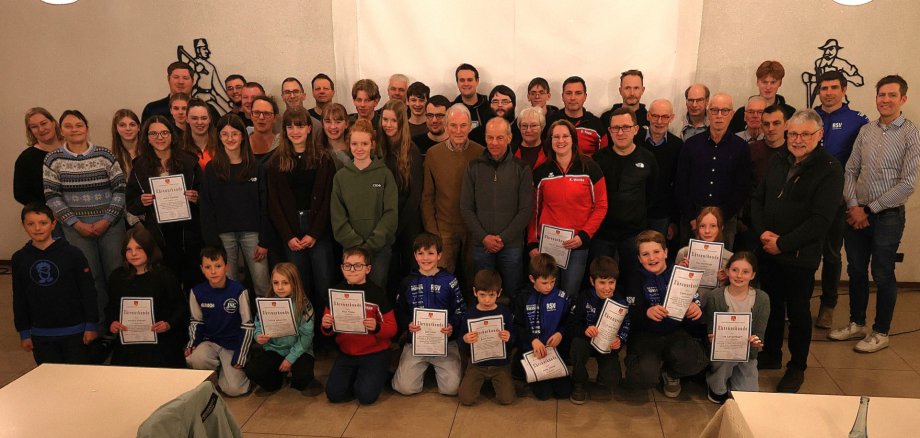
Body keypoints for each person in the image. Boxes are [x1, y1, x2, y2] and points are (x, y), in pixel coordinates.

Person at [752, 109, 843, 393]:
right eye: (793, 133)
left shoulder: (830, 169)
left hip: (799, 256)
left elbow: (820, 220)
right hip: (769, 249)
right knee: (773, 306)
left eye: (805, 134)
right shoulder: (779, 160)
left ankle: (797, 367)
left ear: (819, 135)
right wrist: (762, 233)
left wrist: (783, 243)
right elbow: (758, 199)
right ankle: (771, 355)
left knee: (799, 313)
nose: (798, 139)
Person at [829, 75, 920, 353]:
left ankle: (881, 331)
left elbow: (908, 183)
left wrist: (869, 209)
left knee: (882, 273)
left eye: (892, 95)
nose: (885, 100)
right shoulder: (866, 131)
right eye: (881, 94)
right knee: (856, 270)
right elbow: (850, 170)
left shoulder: (911, 133)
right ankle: (857, 323)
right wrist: (855, 205)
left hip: (887, 216)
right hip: (857, 212)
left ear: (903, 99)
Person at [43, 109, 126, 321]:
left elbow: (120, 188)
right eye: (68, 126)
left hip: (111, 227)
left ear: (87, 127)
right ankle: (99, 324)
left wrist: (107, 219)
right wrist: (76, 223)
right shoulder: (53, 160)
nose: (74, 130)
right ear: (61, 130)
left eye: (79, 125)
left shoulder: (105, 155)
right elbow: (52, 196)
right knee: (90, 277)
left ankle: (122, 325)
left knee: (116, 275)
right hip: (77, 230)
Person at [813, 70, 869, 329]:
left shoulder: (857, 121)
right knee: (805, 252)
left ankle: (828, 305)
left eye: (834, 87)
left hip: (837, 198)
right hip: (807, 198)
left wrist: (853, 200)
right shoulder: (810, 116)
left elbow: (861, 164)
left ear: (844, 90)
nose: (828, 92)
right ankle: (800, 302)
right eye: (824, 88)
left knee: (832, 255)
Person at [267, 106, 337, 313]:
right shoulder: (275, 162)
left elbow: (327, 200)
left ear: (309, 129)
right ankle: (304, 335)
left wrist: (314, 233)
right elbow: (274, 203)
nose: (295, 131)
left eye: (299, 126)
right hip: (290, 229)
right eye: (290, 126)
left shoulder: (324, 159)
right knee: (298, 285)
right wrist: (288, 235)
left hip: (318, 228)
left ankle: (325, 335)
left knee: (324, 282)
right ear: (284, 130)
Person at [622, 230, 707, 397]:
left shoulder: (681, 274)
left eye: (656, 252)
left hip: (675, 332)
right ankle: (649, 365)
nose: (652, 258)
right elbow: (631, 315)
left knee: (697, 361)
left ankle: (671, 374)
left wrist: (695, 310)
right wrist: (646, 312)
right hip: (646, 334)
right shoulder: (633, 278)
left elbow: (693, 318)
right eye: (645, 254)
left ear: (666, 252)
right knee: (642, 375)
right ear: (639, 258)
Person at [528, 119, 608, 296]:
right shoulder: (541, 172)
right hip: (548, 245)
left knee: (570, 293)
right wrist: (532, 242)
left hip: (577, 244)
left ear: (573, 139)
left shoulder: (590, 168)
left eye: (565, 136)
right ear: (550, 140)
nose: (561, 141)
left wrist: (584, 236)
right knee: (548, 292)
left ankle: (567, 324)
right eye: (556, 137)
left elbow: (601, 205)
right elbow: (533, 210)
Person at [12, 202, 98, 365]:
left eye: (43, 223)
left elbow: (88, 291)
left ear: (53, 223)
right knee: (49, 379)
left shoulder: (73, 254)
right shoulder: (19, 258)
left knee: (77, 377)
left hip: (75, 331)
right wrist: (24, 332)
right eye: (31, 224)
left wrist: (91, 324)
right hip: (40, 334)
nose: (37, 228)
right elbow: (19, 297)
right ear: (24, 226)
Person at [125, 115, 204, 290]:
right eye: (153, 134)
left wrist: (196, 197)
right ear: (146, 138)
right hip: (159, 234)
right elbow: (131, 202)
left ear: (172, 135)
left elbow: (206, 195)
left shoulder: (189, 161)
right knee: (167, 281)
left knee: (193, 279)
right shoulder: (140, 166)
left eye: (164, 133)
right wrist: (141, 201)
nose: (159, 138)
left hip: (188, 231)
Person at [460, 117, 534, 299]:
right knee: (483, 293)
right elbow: (466, 207)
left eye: (500, 138)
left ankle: (512, 327)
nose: (494, 143)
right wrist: (484, 237)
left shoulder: (522, 168)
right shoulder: (473, 167)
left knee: (513, 292)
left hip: (512, 246)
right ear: (485, 138)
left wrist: (503, 238)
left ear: (509, 138)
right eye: (490, 137)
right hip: (481, 244)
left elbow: (526, 210)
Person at [199, 114, 271, 298]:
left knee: (262, 284)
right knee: (228, 286)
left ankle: (265, 324)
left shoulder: (256, 167)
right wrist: (213, 243)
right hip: (223, 236)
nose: (230, 139)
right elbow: (206, 207)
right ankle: (235, 325)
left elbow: (265, 205)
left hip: (253, 234)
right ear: (219, 137)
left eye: (234, 134)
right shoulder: (211, 169)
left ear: (242, 136)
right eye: (225, 134)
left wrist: (264, 240)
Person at [392, 233, 467, 396]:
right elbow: (399, 311)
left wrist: (452, 325)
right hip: (416, 343)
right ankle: (411, 365)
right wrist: (408, 324)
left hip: (445, 343)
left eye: (431, 253)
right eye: (421, 253)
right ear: (415, 255)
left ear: (439, 255)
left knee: (452, 389)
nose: (425, 258)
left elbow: (461, 310)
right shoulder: (407, 281)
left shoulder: (450, 280)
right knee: (405, 388)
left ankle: (445, 367)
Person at [321, 247, 397, 405]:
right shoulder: (336, 292)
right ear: (342, 268)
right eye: (347, 265)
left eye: (358, 266)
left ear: (367, 269)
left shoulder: (377, 293)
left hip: (375, 353)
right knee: (334, 395)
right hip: (347, 353)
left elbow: (392, 328)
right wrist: (326, 325)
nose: (352, 270)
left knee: (366, 397)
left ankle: (379, 373)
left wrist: (376, 327)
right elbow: (327, 330)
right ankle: (358, 377)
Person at [677, 92, 751, 250]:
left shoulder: (741, 147)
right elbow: (681, 183)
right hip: (693, 216)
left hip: (725, 219)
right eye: (714, 110)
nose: (719, 115)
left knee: (722, 268)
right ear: (708, 113)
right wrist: (692, 217)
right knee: (688, 264)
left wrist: (721, 219)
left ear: (731, 114)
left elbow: (742, 188)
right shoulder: (691, 145)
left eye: (724, 111)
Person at [105, 227, 187, 368]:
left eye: (139, 248)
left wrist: (168, 324)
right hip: (128, 345)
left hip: (161, 343)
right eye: (128, 249)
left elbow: (181, 306)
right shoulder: (117, 277)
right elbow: (111, 307)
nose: (134, 254)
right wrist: (112, 323)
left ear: (149, 249)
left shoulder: (165, 275)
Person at [591, 107, 658, 279]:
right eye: (615, 128)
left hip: (634, 234)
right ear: (610, 131)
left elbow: (652, 194)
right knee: (603, 280)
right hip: (603, 233)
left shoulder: (648, 158)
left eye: (626, 127)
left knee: (633, 280)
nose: (620, 132)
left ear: (636, 129)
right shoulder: (597, 159)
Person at [330, 119, 398, 289]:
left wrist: (370, 245)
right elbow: (337, 216)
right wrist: (355, 245)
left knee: (376, 292)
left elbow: (390, 213)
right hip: (350, 251)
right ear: (349, 145)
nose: (359, 148)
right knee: (353, 295)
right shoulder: (341, 177)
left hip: (379, 249)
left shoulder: (384, 175)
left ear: (372, 145)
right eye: (354, 143)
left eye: (364, 143)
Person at [422, 104, 485, 277]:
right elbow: (427, 196)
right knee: (442, 279)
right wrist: (433, 232)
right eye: (453, 125)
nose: (458, 130)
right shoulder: (433, 154)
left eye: (463, 125)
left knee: (474, 279)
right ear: (446, 126)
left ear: (470, 126)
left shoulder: (480, 153)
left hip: (473, 229)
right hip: (444, 231)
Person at [185, 246, 255, 397]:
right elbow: (196, 322)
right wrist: (192, 343)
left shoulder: (238, 290)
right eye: (208, 267)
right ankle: (216, 372)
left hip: (233, 344)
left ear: (226, 267)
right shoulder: (197, 292)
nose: (213, 271)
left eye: (218, 266)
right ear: (202, 269)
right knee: (194, 358)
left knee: (235, 390)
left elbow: (248, 325)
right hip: (210, 342)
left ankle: (228, 369)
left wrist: (241, 355)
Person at [703, 251, 769, 404]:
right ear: (727, 271)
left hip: (747, 352)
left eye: (745, 272)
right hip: (723, 353)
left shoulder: (762, 299)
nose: (739, 275)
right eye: (734, 270)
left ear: (753, 275)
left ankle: (736, 378)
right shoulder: (716, 296)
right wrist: (712, 337)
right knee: (720, 385)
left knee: (748, 396)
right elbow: (710, 329)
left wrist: (756, 342)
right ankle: (716, 384)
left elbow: (760, 333)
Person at [568, 256, 631, 405]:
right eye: (602, 282)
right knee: (577, 346)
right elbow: (571, 325)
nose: (607, 287)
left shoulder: (621, 302)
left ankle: (602, 381)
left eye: (611, 282)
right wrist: (585, 329)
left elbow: (627, 325)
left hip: (607, 345)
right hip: (586, 341)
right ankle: (579, 382)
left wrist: (620, 340)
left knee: (612, 381)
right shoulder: (584, 298)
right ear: (592, 281)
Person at [245, 263, 316, 392]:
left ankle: (293, 374)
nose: (280, 287)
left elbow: (307, 337)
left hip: (300, 351)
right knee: (252, 370)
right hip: (275, 349)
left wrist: (290, 359)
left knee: (303, 379)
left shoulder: (304, 305)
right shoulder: (267, 302)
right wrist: (259, 336)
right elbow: (258, 324)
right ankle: (278, 380)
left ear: (294, 283)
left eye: (285, 283)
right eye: (276, 283)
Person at [377, 100, 424, 292]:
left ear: (401, 123)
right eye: (385, 119)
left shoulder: (411, 149)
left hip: (407, 221)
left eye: (392, 120)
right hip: (383, 220)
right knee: (389, 274)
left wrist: (397, 225)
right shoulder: (377, 147)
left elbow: (415, 194)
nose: (388, 124)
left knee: (411, 272)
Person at [514, 253, 573, 400]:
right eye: (544, 283)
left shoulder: (561, 297)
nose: (549, 287)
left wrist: (560, 333)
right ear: (532, 279)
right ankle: (520, 368)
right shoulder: (522, 297)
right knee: (544, 395)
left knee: (564, 392)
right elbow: (517, 325)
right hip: (531, 351)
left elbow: (569, 321)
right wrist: (532, 340)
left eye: (552, 282)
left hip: (553, 352)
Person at [457, 268, 516, 406]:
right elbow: (461, 340)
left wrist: (509, 337)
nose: (487, 300)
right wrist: (465, 339)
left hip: (499, 364)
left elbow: (514, 338)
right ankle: (477, 381)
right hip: (477, 364)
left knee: (507, 399)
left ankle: (498, 381)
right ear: (474, 292)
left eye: (492, 295)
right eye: (482, 295)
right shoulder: (470, 314)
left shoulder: (504, 313)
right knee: (466, 399)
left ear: (499, 293)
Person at [736, 105, 788, 253]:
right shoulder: (750, 151)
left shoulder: (794, 153)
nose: (771, 128)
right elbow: (742, 186)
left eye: (776, 123)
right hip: (752, 225)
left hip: (784, 227)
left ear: (786, 125)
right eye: (766, 124)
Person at [640, 99, 683, 240]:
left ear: (672, 118)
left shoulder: (678, 146)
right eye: (655, 116)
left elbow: (678, 185)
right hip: (636, 212)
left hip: (662, 215)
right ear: (648, 116)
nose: (659, 121)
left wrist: (673, 221)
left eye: (665, 117)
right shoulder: (635, 141)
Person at [675, 207, 733, 301]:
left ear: (721, 228)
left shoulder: (730, 258)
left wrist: (725, 282)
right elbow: (675, 290)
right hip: (688, 305)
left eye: (713, 226)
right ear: (697, 228)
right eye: (702, 226)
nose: (707, 231)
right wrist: (681, 273)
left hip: (714, 306)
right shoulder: (684, 253)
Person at [728, 61, 796, 133]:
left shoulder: (790, 113)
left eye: (773, 82)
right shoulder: (742, 113)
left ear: (780, 83)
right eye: (764, 82)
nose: (768, 87)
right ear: (757, 82)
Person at [15, 108, 64, 206]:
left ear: (53, 122)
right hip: (48, 217)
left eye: (44, 123)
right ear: (30, 131)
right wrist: (49, 210)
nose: (41, 129)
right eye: (34, 127)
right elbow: (20, 194)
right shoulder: (26, 158)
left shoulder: (73, 148)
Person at [546, 76, 604, 156]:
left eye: (578, 93)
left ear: (585, 96)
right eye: (568, 93)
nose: (573, 98)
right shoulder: (551, 122)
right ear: (562, 96)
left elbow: (604, 156)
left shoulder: (596, 124)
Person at [600, 69, 649, 146]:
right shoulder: (606, 118)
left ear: (642, 90)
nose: (632, 93)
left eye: (636, 88)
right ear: (620, 90)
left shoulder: (650, 119)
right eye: (627, 88)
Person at [453, 63, 492, 129]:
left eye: (469, 80)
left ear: (477, 81)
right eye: (462, 80)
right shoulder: (451, 109)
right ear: (457, 83)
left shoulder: (490, 108)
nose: (466, 84)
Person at [182, 99, 218, 170]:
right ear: (187, 119)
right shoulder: (180, 148)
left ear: (210, 119)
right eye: (194, 118)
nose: (199, 122)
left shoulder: (221, 145)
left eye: (204, 118)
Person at [110, 109, 140, 179]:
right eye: (122, 125)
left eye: (132, 124)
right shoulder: (110, 157)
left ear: (139, 128)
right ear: (116, 129)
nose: (128, 128)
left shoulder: (149, 152)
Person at [249, 95, 280, 164]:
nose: (261, 117)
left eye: (267, 113)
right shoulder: (241, 143)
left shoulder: (282, 145)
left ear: (275, 118)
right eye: (256, 112)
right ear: (251, 116)